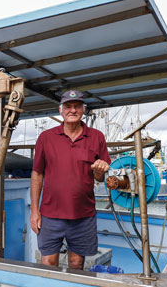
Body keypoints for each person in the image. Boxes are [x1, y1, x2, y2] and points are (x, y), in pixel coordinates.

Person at [30, 90, 110, 270]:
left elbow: (100, 177)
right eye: (68, 106)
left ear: (84, 110)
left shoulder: (97, 137)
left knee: (77, 263)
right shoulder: (46, 138)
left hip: (83, 215)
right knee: (49, 263)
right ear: (61, 110)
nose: (72, 110)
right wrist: (35, 210)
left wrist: (99, 170)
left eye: (77, 106)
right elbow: (37, 173)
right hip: (50, 215)